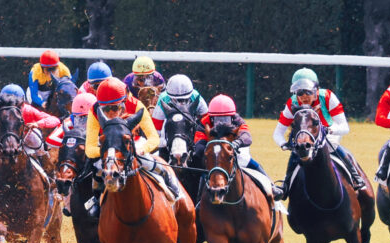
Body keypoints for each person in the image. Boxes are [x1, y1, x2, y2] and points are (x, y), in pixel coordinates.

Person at [84, 77, 179, 215]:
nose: (111, 113)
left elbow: (154, 139)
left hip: (133, 143)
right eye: (106, 109)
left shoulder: (137, 106)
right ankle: (97, 199)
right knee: (98, 167)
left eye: (115, 108)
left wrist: (141, 149)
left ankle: (169, 182)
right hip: (109, 147)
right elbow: (89, 149)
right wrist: (110, 151)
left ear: (124, 102)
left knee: (147, 161)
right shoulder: (93, 111)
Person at [272, 68, 367, 192]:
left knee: (330, 144)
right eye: (300, 93)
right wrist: (283, 144)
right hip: (304, 136)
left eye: (308, 92)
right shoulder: (291, 103)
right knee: (296, 151)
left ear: (316, 90)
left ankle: (355, 176)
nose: (304, 97)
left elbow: (344, 127)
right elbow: (278, 133)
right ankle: (286, 185)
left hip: (328, 133)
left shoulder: (327, 97)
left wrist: (330, 130)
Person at [192, 94, 281, 199]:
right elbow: (199, 144)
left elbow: (247, 136)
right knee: (205, 167)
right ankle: (198, 200)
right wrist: (210, 148)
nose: (222, 122)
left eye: (226, 119)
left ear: (232, 116)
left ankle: (271, 185)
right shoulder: (203, 122)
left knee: (246, 159)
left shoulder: (238, 120)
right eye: (217, 119)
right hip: (214, 153)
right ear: (211, 117)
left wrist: (237, 143)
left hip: (233, 150)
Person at [0, 84, 61, 180]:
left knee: (39, 145)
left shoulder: (28, 110)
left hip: (26, 135)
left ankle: (51, 178)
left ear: (21, 104)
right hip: (5, 139)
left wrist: (39, 123)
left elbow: (55, 120)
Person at [151, 74, 208, 139]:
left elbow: (207, 120)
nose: (181, 104)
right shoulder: (163, 98)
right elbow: (156, 129)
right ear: (169, 96)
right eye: (177, 100)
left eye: (184, 99)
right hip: (170, 131)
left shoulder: (196, 96)